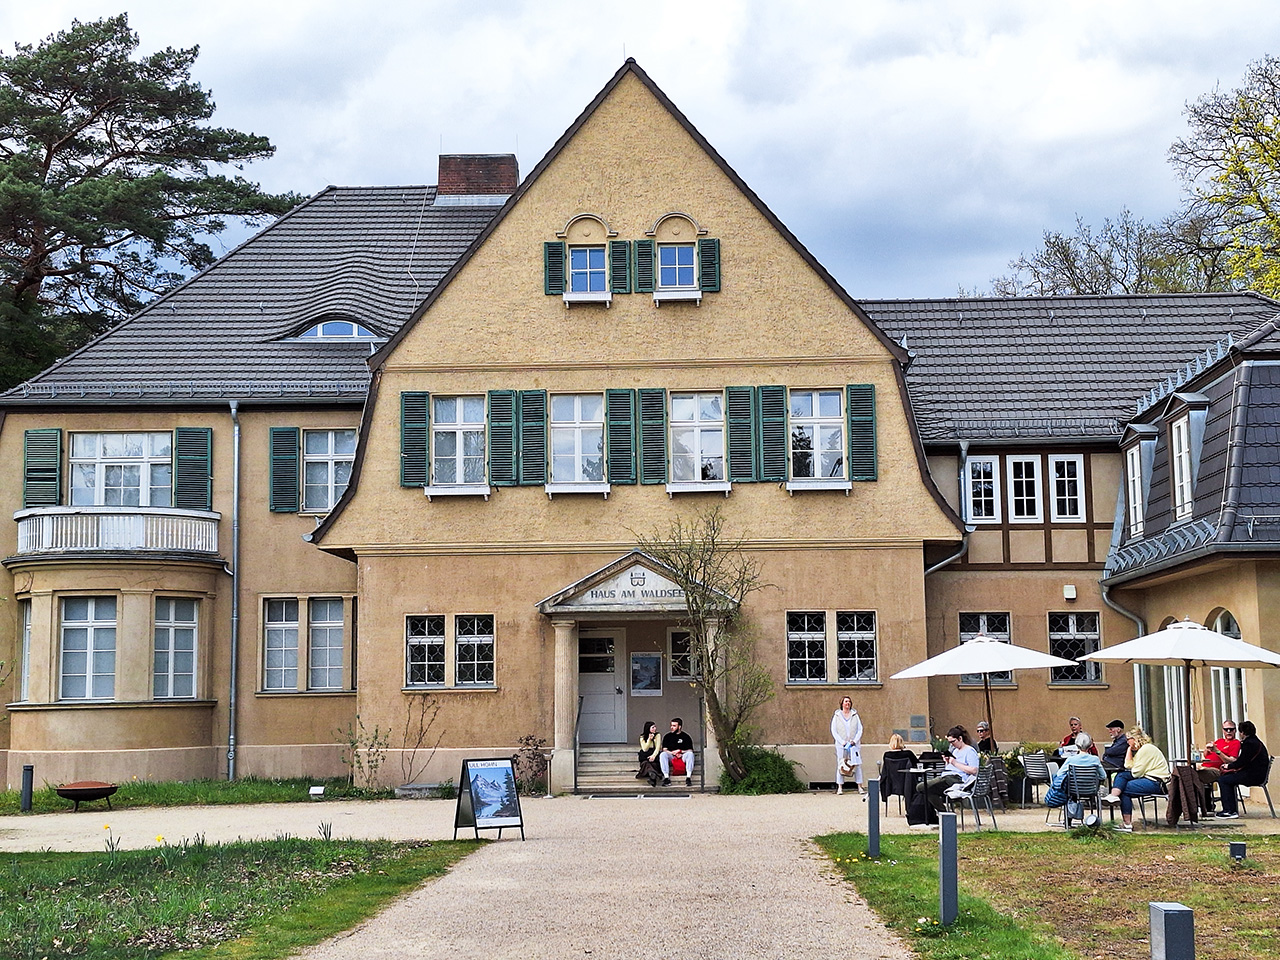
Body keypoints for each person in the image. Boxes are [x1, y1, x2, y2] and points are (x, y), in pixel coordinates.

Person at [1101, 726, 1170, 831]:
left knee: (1123, 788)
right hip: (1150, 779)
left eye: (1129, 740)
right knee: (1122, 778)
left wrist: (1129, 751)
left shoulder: (1146, 749)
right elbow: (1128, 766)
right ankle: (1115, 799)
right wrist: (1129, 750)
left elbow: (1136, 772)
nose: (1127, 743)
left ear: (1135, 739)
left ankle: (1125, 821)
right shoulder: (1141, 750)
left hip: (1157, 782)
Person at [1043, 733, 1107, 823]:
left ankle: (1068, 821)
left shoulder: (1071, 759)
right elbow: (1103, 776)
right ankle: (1095, 820)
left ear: (1076, 745)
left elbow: (1060, 773)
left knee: (1069, 789)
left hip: (1074, 791)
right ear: (1090, 745)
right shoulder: (1095, 759)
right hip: (1091, 790)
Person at [1214, 720, 1269, 820]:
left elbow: (1242, 761)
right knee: (1227, 778)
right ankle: (1231, 809)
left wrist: (1228, 767)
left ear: (1242, 732)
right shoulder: (1255, 742)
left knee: (1223, 780)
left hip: (1254, 776)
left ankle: (1229, 811)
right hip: (1256, 773)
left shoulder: (1250, 744)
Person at [924, 725, 980, 813]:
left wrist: (955, 763)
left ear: (960, 739)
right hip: (947, 776)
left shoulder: (969, 751)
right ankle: (945, 814)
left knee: (924, 786)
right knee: (926, 790)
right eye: (949, 742)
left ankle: (945, 815)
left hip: (958, 779)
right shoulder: (955, 751)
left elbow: (974, 770)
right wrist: (947, 762)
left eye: (953, 741)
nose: (952, 744)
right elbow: (950, 767)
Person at [1197, 718, 1242, 811]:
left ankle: (1205, 805)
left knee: (1195, 776)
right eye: (1226, 729)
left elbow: (1231, 761)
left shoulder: (1235, 743)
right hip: (1204, 766)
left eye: (1231, 729)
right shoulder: (1219, 741)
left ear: (1235, 731)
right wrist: (1207, 748)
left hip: (1219, 770)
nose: (1228, 731)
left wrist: (1217, 751)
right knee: (1187, 773)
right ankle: (1202, 804)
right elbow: (1206, 755)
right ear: (1223, 730)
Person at [831, 695, 865, 796]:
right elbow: (834, 731)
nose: (847, 703)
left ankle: (859, 786)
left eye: (849, 702)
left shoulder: (855, 715)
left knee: (856, 764)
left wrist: (854, 740)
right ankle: (840, 787)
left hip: (853, 745)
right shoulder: (837, 716)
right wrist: (842, 741)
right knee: (841, 764)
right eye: (846, 702)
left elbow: (860, 729)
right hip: (842, 745)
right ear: (842, 703)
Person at [659, 717, 695, 786]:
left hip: (682, 756)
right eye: (671, 725)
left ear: (679, 727)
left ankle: (688, 777)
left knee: (690, 754)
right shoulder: (667, 736)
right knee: (663, 754)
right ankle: (666, 778)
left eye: (674, 726)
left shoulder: (686, 736)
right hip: (671, 756)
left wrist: (680, 751)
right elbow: (664, 749)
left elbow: (690, 750)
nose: (672, 727)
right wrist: (672, 753)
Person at [636, 720, 661, 786]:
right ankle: (653, 775)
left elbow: (657, 748)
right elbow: (644, 749)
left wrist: (653, 756)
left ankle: (652, 775)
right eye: (653, 727)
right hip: (646, 755)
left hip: (654, 755)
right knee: (645, 763)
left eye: (655, 727)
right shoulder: (642, 737)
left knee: (650, 764)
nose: (654, 728)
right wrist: (649, 740)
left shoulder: (657, 735)